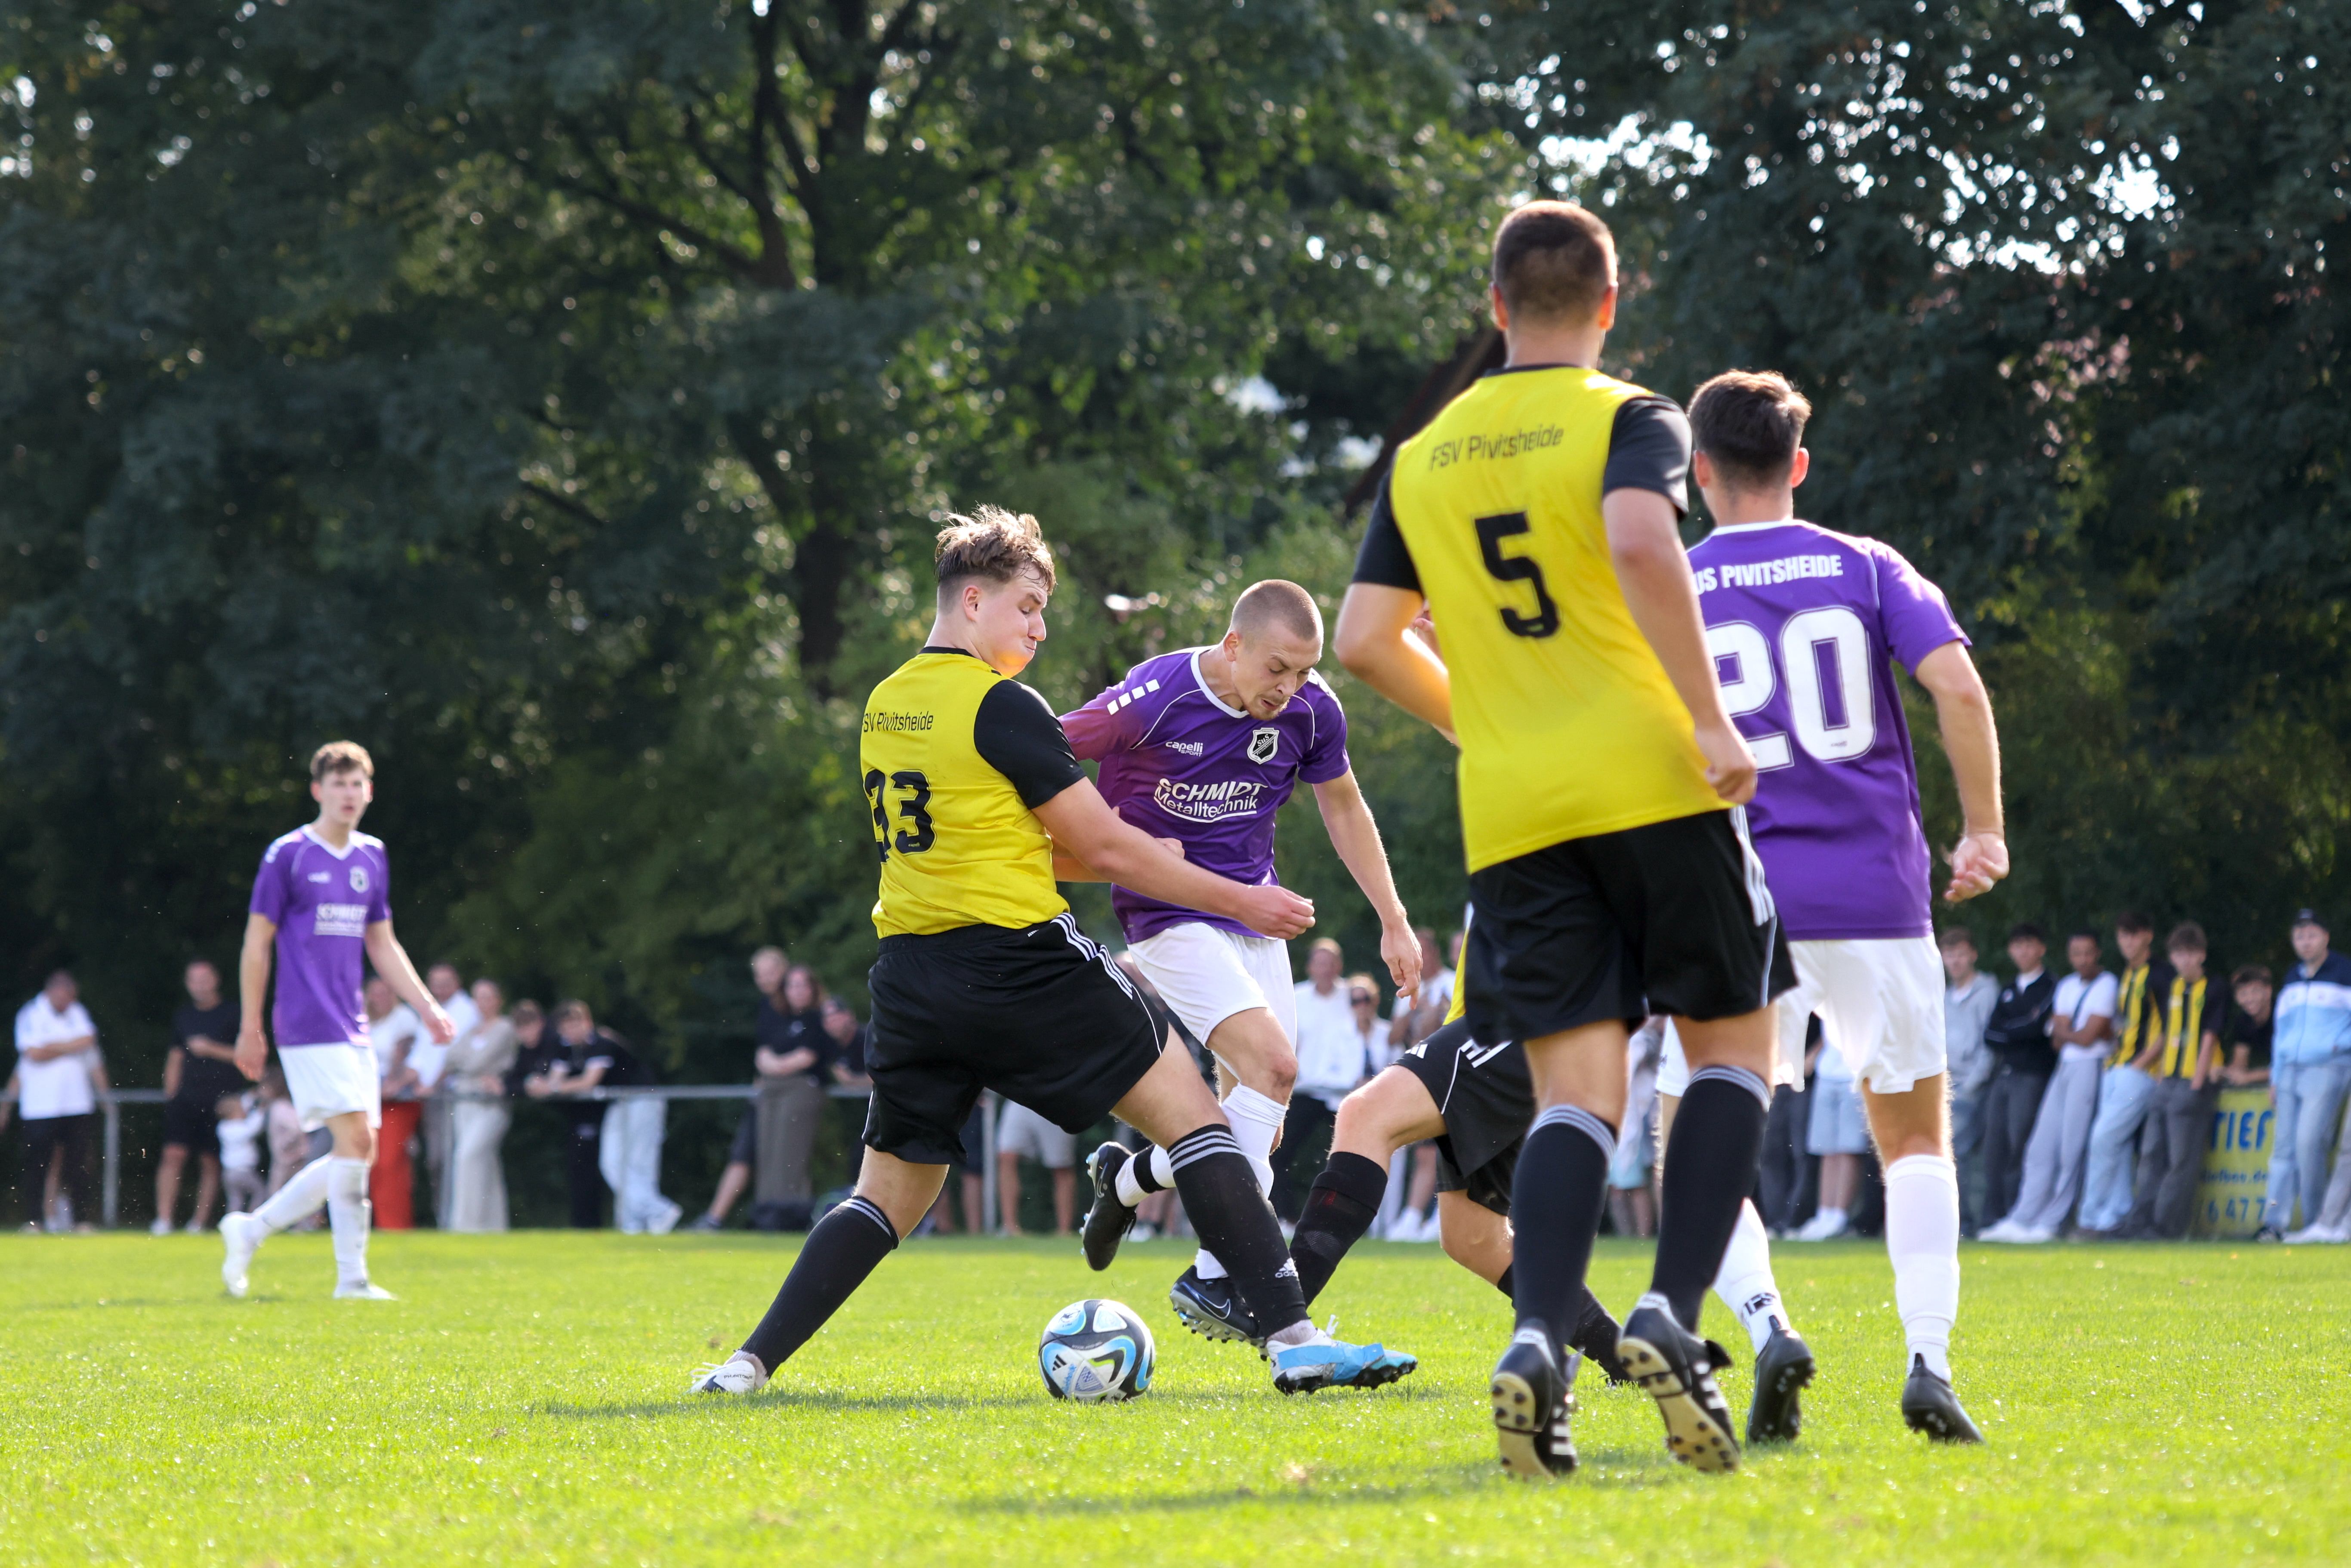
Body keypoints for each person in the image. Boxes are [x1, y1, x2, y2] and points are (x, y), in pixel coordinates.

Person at [694, 505, 1412, 1398]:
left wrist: (1152, 854)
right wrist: (1241, 900)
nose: (1038, 629)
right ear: (971, 602)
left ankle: (745, 1365)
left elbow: (1011, 836)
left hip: (913, 979)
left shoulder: (886, 704)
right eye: (1027, 608)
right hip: (1021, 964)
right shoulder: (1002, 706)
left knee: (882, 1199)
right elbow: (1102, 846)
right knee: (1199, 1121)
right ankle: (1293, 1338)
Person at [1336, 204, 1799, 1478]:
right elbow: (1643, 539)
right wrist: (1706, 717)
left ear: (1496, 307)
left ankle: (1539, 1335)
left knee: (1575, 1095)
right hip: (1654, 784)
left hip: (1517, 813)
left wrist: (1480, 720)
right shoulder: (1628, 414)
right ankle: (1668, 1313)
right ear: (1608, 301)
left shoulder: (1423, 456)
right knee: (1730, 1055)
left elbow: (1364, 638)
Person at [1647, 366, 2009, 1444]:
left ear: (1697, 472)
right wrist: (1982, 830)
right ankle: (1928, 1361)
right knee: (1914, 1138)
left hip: (1737, 903)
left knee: (1690, 1139)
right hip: (1876, 897)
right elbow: (1956, 684)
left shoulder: (1669, 584)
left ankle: (1768, 1328)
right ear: (1797, 463)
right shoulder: (1865, 565)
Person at [1059, 575, 1421, 1337]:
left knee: (1259, 1119)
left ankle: (1128, 1178)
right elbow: (1047, 753)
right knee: (1275, 1068)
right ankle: (1215, 1277)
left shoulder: (1312, 709)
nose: (1289, 688)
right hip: (1166, 915)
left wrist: (1393, 920)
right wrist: (1087, 851)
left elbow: (1344, 804)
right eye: (1276, 668)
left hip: (1254, 920)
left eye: (1304, 671)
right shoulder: (1157, 696)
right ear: (1233, 646)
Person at [219, 741, 454, 1300]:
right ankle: (351, 1278)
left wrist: (426, 1006)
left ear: (369, 792)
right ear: (317, 790)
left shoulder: (372, 855)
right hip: (305, 1023)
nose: (348, 793)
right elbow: (256, 945)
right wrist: (251, 1025)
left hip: (353, 1026)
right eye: (338, 783)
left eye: (357, 784)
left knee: (358, 1150)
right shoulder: (289, 854)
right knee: (354, 1141)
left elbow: (382, 943)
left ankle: (254, 1231)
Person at [1984, 932, 2117, 1242]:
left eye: (2088, 953)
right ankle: (2023, 1217)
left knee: (2071, 1148)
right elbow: (2059, 1040)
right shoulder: (2068, 986)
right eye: (2076, 953)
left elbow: (2085, 1038)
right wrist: (2072, 1033)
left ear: (2098, 953)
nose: (2082, 959)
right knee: (2040, 1146)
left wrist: (2067, 1032)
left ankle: (2052, 1221)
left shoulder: (2107, 983)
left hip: (2090, 1065)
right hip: (2065, 1065)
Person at [2118, 924, 2226, 1240]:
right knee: (2151, 1155)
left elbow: (2209, 1037)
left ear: (2202, 955)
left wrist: (2197, 1083)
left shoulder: (2214, 987)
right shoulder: (2172, 987)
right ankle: (2139, 1222)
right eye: (2178, 954)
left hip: (2192, 1082)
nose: (2184, 960)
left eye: (2190, 954)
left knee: (2181, 1161)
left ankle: (2165, 1227)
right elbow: (2167, 1033)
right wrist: (2163, 1076)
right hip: (2167, 1082)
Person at [2075, 913, 2173, 1236]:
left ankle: (2090, 1219)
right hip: (2117, 1068)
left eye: (2134, 934)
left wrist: (2141, 1064)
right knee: (2116, 1145)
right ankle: (2114, 1217)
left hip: (2139, 1071)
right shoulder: (2128, 974)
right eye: (2123, 935)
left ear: (2148, 936)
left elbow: (2172, 1027)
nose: (2128, 942)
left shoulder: (2160, 974)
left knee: (2103, 1138)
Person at [544, 1000, 679, 1235]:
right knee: (612, 1162)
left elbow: (587, 1083)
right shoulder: (568, 1048)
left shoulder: (602, 1042)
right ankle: (643, 1219)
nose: (571, 1032)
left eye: (575, 1025)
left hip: (643, 1100)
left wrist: (553, 1088)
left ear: (587, 1022)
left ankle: (653, 1215)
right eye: (566, 1028)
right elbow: (555, 1079)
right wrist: (549, 1085)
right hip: (620, 1103)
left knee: (639, 1163)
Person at [2258, 910, 2351, 1239]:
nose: (2305, 942)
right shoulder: (2291, 977)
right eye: (2299, 936)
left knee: (2309, 1144)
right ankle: (2274, 1224)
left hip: (2328, 1067)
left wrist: (2340, 1045)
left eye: (2311, 935)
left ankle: (2317, 1222)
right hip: (2289, 1072)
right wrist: (2275, 1075)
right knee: (2283, 1151)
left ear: (2326, 937)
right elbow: (2281, 1032)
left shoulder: (2345, 971)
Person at [1976, 924, 2058, 1230]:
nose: (2023, 951)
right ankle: (1992, 1218)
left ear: (2041, 948)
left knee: (2019, 1144)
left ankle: (2018, 1215)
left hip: (2033, 1076)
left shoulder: (2051, 985)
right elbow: (1990, 1034)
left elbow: (2039, 1030)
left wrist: (2014, 1031)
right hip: (2005, 1075)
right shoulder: (2009, 988)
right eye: (2018, 945)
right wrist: (2023, 1028)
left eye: (2029, 944)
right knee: (1994, 1147)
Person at [12, 971, 107, 1232]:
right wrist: (71, 1045)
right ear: (52, 991)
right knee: (37, 1166)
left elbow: (89, 1040)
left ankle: (81, 1220)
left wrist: (51, 1046)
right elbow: (33, 1053)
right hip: (40, 1107)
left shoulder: (78, 1012)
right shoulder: (31, 1014)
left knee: (79, 1166)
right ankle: (35, 1220)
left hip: (77, 1104)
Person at [156, 958, 242, 1235]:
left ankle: (198, 1223)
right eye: (194, 980)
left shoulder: (234, 1013)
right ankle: (164, 1221)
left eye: (205, 979)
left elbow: (247, 1056)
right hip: (185, 1099)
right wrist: (171, 1094)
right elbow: (175, 1056)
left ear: (216, 980)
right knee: (173, 1155)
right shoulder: (184, 1016)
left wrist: (210, 1048)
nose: (200, 986)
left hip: (221, 1100)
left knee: (211, 1162)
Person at [441, 978, 519, 1232]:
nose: (483, 1003)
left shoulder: (505, 1028)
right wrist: (468, 1065)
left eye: (488, 997)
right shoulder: (472, 1031)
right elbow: (450, 1058)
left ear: (498, 1000)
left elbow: (478, 1062)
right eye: (479, 998)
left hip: (490, 1104)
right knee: (485, 1162)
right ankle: (493, 1225)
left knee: (469, 1156)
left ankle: (467, 1224)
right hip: (465, 1102)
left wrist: (467, 1066)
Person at [1940, 928, 2001, 1234]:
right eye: (1950, 954)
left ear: (1973, 955)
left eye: (1961, 954)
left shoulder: (1987, 992)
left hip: (1971, 1088)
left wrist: (1971, 1086)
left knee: (1955, 1151)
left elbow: (1990, 1046)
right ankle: (1947, 1220)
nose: (1955, 961)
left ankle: (1964, 1222)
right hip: (1943, 1087)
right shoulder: (1944, 995)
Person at [1791, 1020, 1867, 1241]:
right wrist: (1815, 1056)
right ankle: (1825, 1214)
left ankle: (1840, 1217)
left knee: (1848, 1149)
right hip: (1827, 1073)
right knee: (1827, 1150)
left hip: (1854, 1075)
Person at [416, 962, 475, 1225]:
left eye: (445, 983)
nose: (440, 989)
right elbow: (420, 1057)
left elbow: (453, 1058)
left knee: (450, 1158)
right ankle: (443, 1219)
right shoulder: (429, 1010)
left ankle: (456, 1220)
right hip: (429, 1098)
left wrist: (433, 1085)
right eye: (435, 984)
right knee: (435, 1161)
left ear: (457, 983)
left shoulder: (467, 1011)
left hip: (451, 1097)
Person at [367, 975, 427, 1230]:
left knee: (390, 1161)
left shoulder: (404, 1018)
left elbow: (405, 1056)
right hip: (372, 1100)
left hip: (398, 1100)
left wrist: (393, 1085)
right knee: (372, 1163)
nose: (381, 998)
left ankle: (396, 1226)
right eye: (376, 993)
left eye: (386, 992)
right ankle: (382, 1223)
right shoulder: (366, 1020)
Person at [996, 1098, 1077, 1235]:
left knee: (1061, 1166)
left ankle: (1064, 1231)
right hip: (1019, 1098)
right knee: (1006, 1157)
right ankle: (1010, 1227)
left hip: (1056, 1100)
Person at [216, 1093, 268, 1215]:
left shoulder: (222, 1127)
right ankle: (253, 1216)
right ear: (235, 1114)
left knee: (235, 1199)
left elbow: (245, 1103)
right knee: (261, 1192)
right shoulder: (238, 1129)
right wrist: (261, 1111)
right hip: (244, 1172)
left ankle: (231, 1219)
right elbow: (253, 1128)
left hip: (229, 1173)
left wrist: (254, 1096)